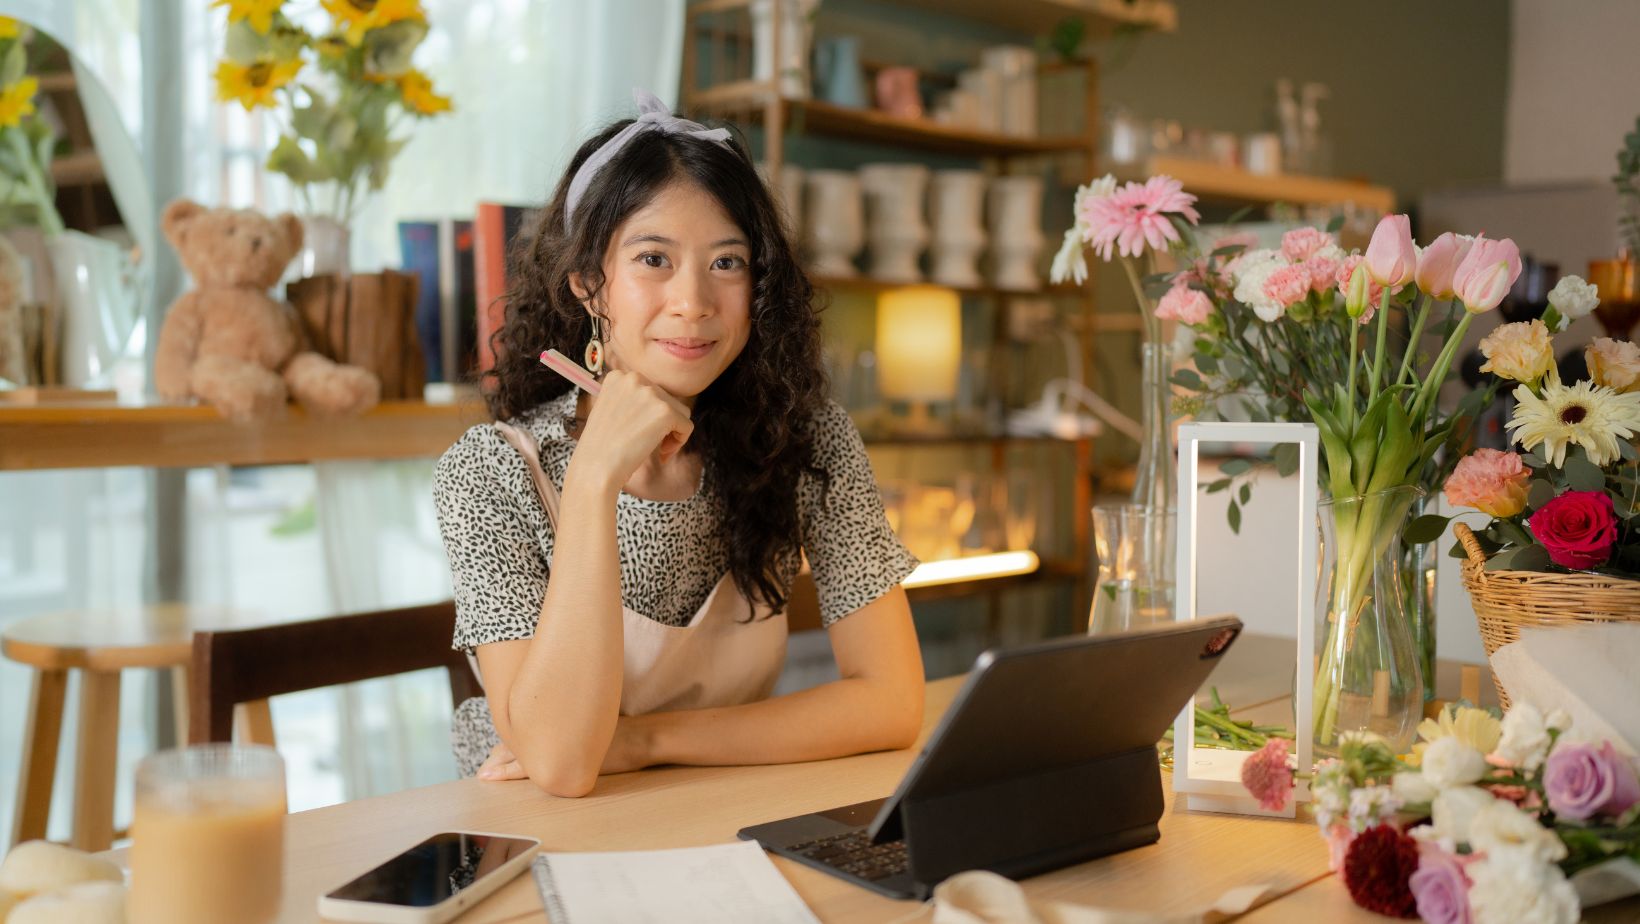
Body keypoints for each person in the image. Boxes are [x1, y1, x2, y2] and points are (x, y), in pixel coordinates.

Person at [432, 90, 924, 797]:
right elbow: (565, 765)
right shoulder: (489, 473)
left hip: (723, 812)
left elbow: (891, 702)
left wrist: (646, 742)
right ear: (587, 284)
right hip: (541, 843)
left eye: (727, 263)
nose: (693, 301)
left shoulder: (805, 439)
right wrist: (596, 474)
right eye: (654, 258)